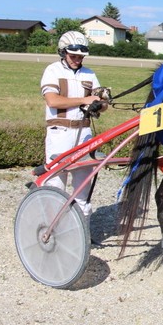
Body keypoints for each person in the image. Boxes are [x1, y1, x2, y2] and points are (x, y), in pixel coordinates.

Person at [40, 31, 107, 217]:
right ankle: (53, 229)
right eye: (73, 55)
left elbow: (102, 104)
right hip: (60, 132)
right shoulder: (52, 70)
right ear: (63, 52)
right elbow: (52, 101)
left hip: (84, 133)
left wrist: (100, 104)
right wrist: (83, 100)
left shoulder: (89, 74)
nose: (77, 59)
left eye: (80, 56)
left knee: (83, 185)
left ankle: (83, 229)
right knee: (56, 184)